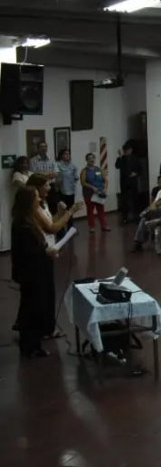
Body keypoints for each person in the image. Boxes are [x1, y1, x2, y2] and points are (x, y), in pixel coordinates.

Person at [10, 187, 58, 359]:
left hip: (36, 271)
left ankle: (33, 344)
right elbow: (28, 251)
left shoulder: (27, 220)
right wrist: (46, 252)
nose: (38, 200)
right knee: (32, 309)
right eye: (36, 197)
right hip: (32, 274)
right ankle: (30, 346)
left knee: (34, 307)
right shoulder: (23, 224)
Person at [79, 151, 110, 233]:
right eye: (89, 159)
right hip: (89, 194)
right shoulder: (84, 171)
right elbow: (83, 183)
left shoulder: (98, 170)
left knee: (101, 210)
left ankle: (104, 225)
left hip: (99, 193)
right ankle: (91, 227)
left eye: (93, 158)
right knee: (90, 211)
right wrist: (92, 187)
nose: (91, 160)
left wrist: (105, 189)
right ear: (86, 160)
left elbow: (106, 180)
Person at [29, 140, 59, 213]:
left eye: (45, 146)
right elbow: (34, 175)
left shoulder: (51, 159)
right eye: (41, 147)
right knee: (40, 206)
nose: (44, 148)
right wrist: (48, 174)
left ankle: (52, 223)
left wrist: (43, 174)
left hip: (50, 186)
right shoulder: (33, 160)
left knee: (53, 207)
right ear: (38, 149)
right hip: (39, 187)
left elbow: (56, 174)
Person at [115, 141, 141, 223]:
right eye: (125, 150)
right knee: (124, 200)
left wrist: (135, 173)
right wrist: (119, 156)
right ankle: (125, 217)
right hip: (124, 182)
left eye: (128, 150)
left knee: (135, 199)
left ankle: (136, 217)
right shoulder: (122, 158)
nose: (126, 152)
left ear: (131, 150)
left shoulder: (136, 158)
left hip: (133, 182)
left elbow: (140, 170)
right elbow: (117, 166)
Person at [54, 149, 79, 215]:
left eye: (68, 154)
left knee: (70, 210)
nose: (68, 155)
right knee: (62, 211)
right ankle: (61, 225)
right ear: (61, 155)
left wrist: (76, 177)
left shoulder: (73, 165)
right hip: (61, 191)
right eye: (66, 154)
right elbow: (56, 177)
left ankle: (70, 225)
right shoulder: (57, 164)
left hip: (71, 191)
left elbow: (76, 177)